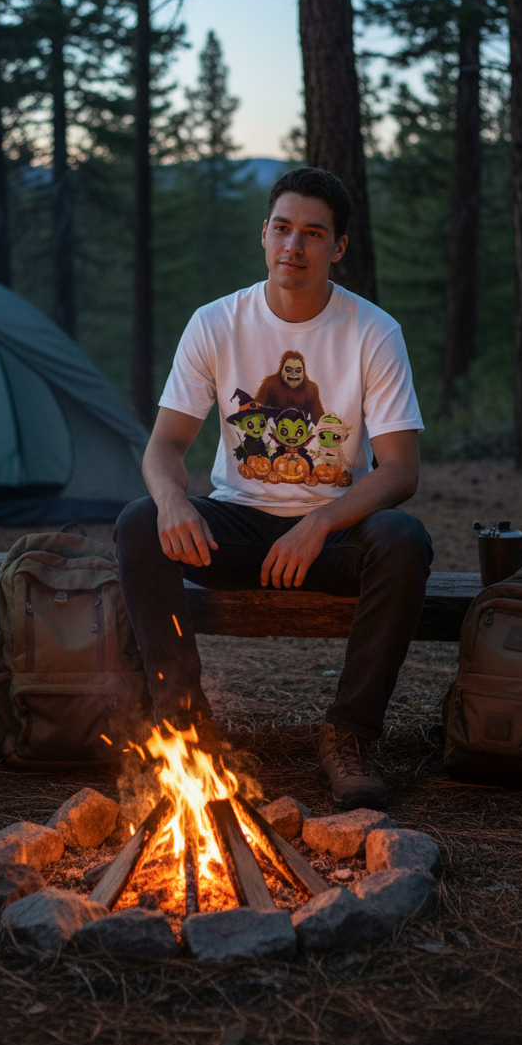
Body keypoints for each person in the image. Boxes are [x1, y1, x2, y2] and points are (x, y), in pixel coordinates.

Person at [115, 167, 432, 809]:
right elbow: (165, 447)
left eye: (313, 234)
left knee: (403, 540)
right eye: (283, 228)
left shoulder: (373, 332)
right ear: (263, 235)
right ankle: (184, 724)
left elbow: (400, 469)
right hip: (239, 528)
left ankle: (349, 734)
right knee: (137, 522)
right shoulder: (215, 324)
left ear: (337, 248)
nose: (295, 245)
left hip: (334, 535)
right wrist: (174, 499)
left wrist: (319, 523)